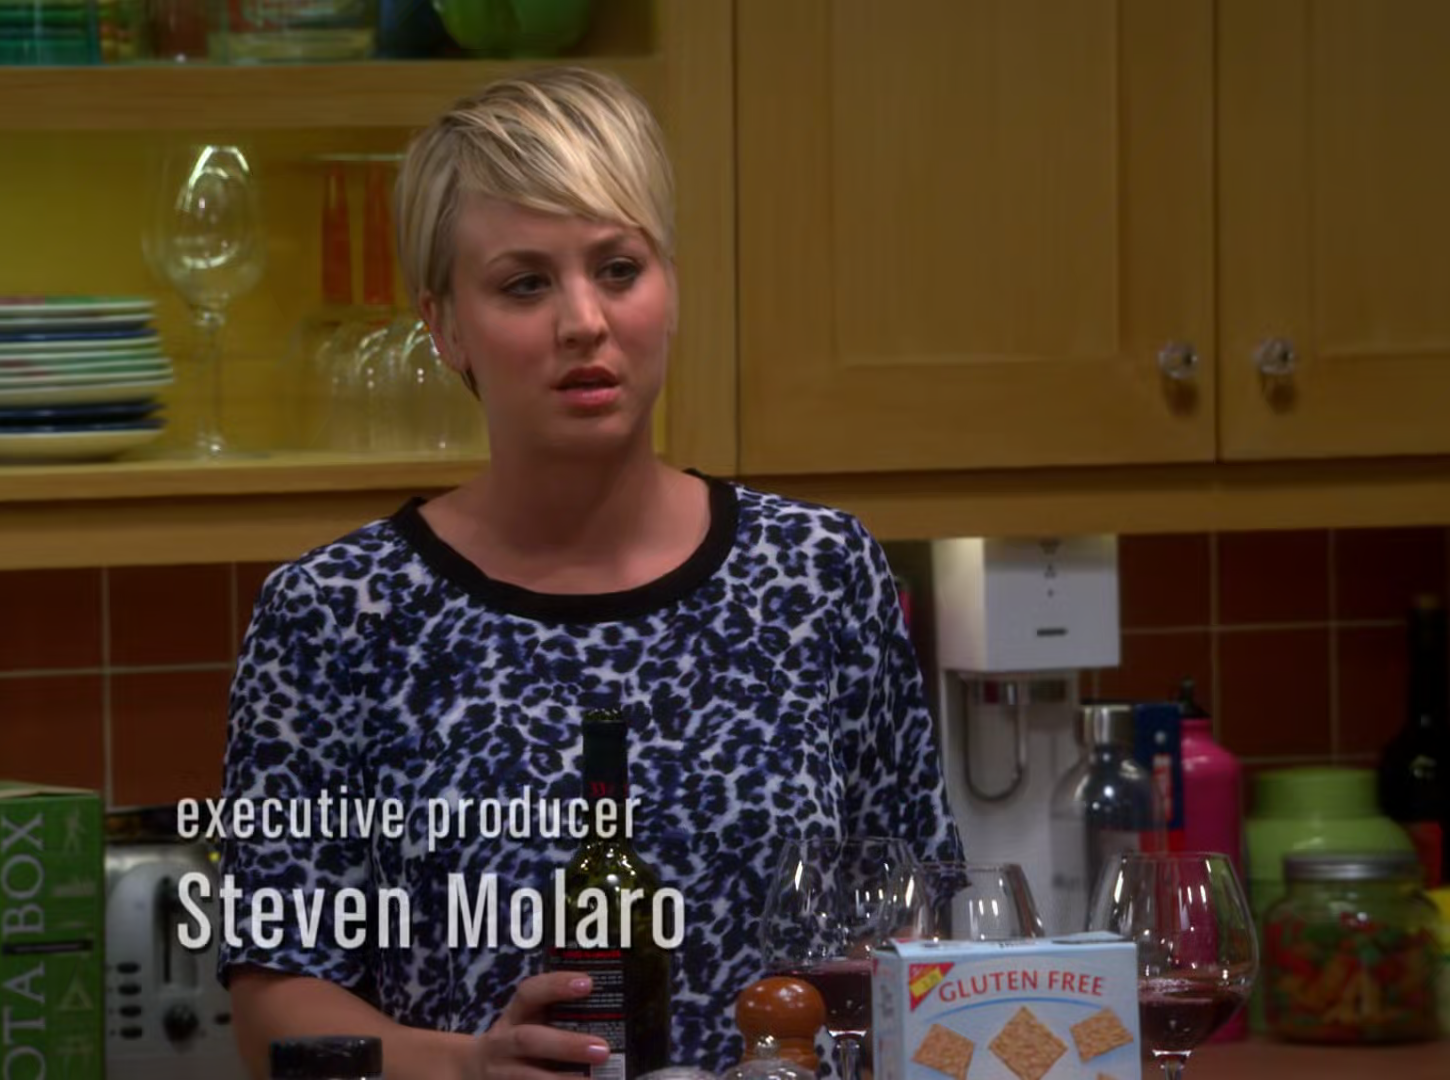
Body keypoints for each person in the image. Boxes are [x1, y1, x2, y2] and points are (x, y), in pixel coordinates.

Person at [217, 67, 963, 1080]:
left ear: (670, 287)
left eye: (618, 268)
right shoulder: (336, 616)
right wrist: (468, 1069)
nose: (584, 321)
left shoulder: (820, 576)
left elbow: (923, 930)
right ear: (445, 325)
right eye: (525, 284)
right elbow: (275, 1001)